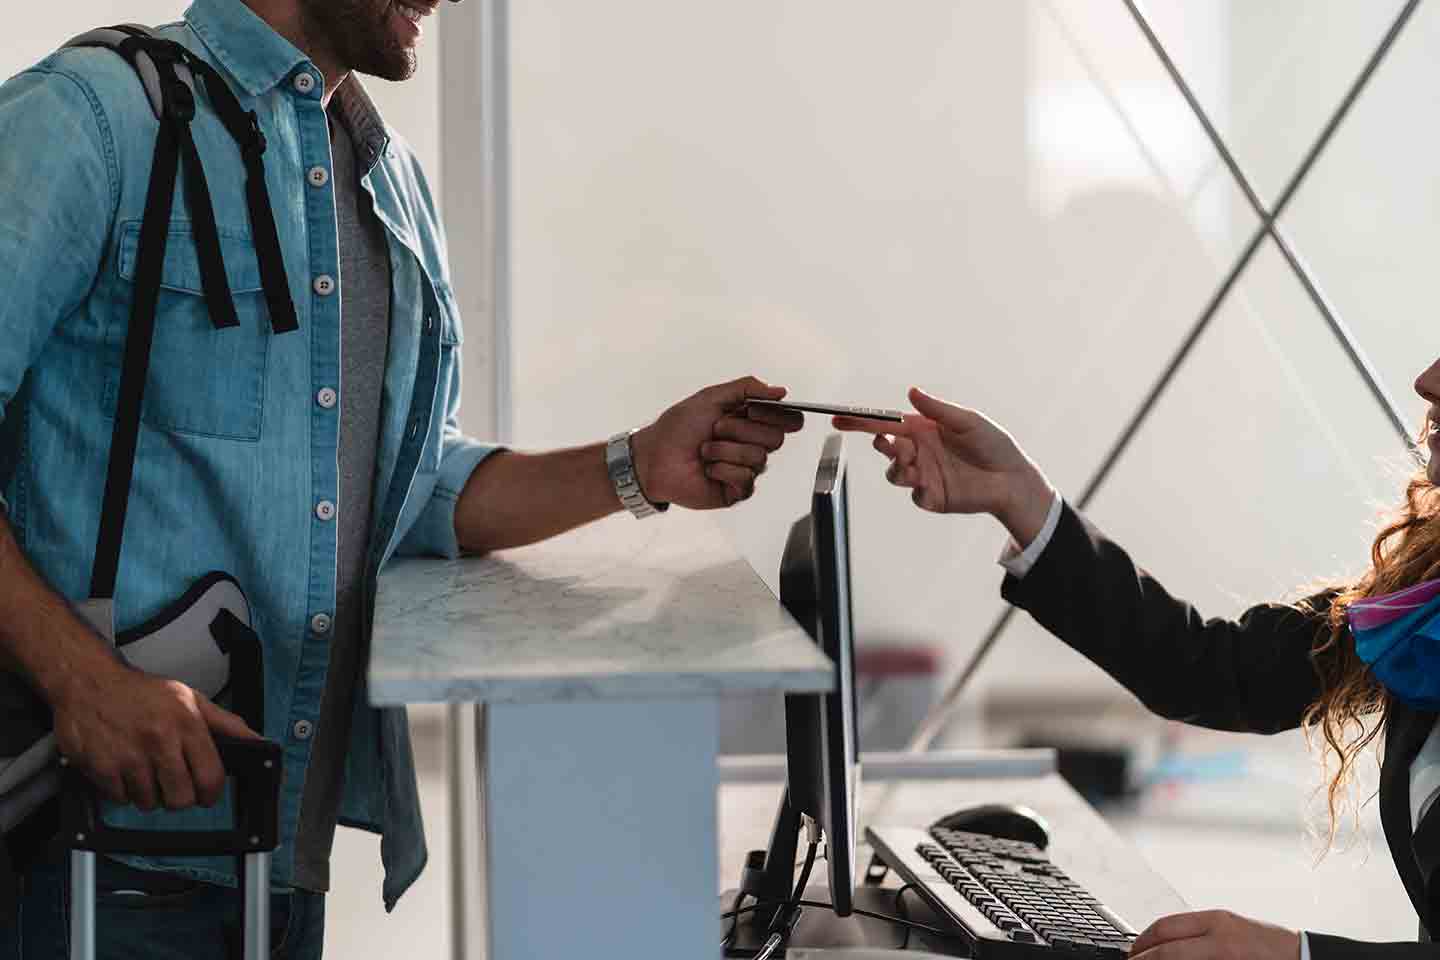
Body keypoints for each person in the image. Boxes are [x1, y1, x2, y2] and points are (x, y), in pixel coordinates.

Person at [0, 0, 803, 956]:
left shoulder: (391, 186)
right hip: (89, 863)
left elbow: (403, 489)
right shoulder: (88, 121)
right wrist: (83, 681)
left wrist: (637, 465)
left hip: (278, 854)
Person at [836, 368, 1440, 960]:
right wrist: (1018, 494)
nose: (1427, 381)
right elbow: (1211, 669)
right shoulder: (1422, 598)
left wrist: (1292, 955)